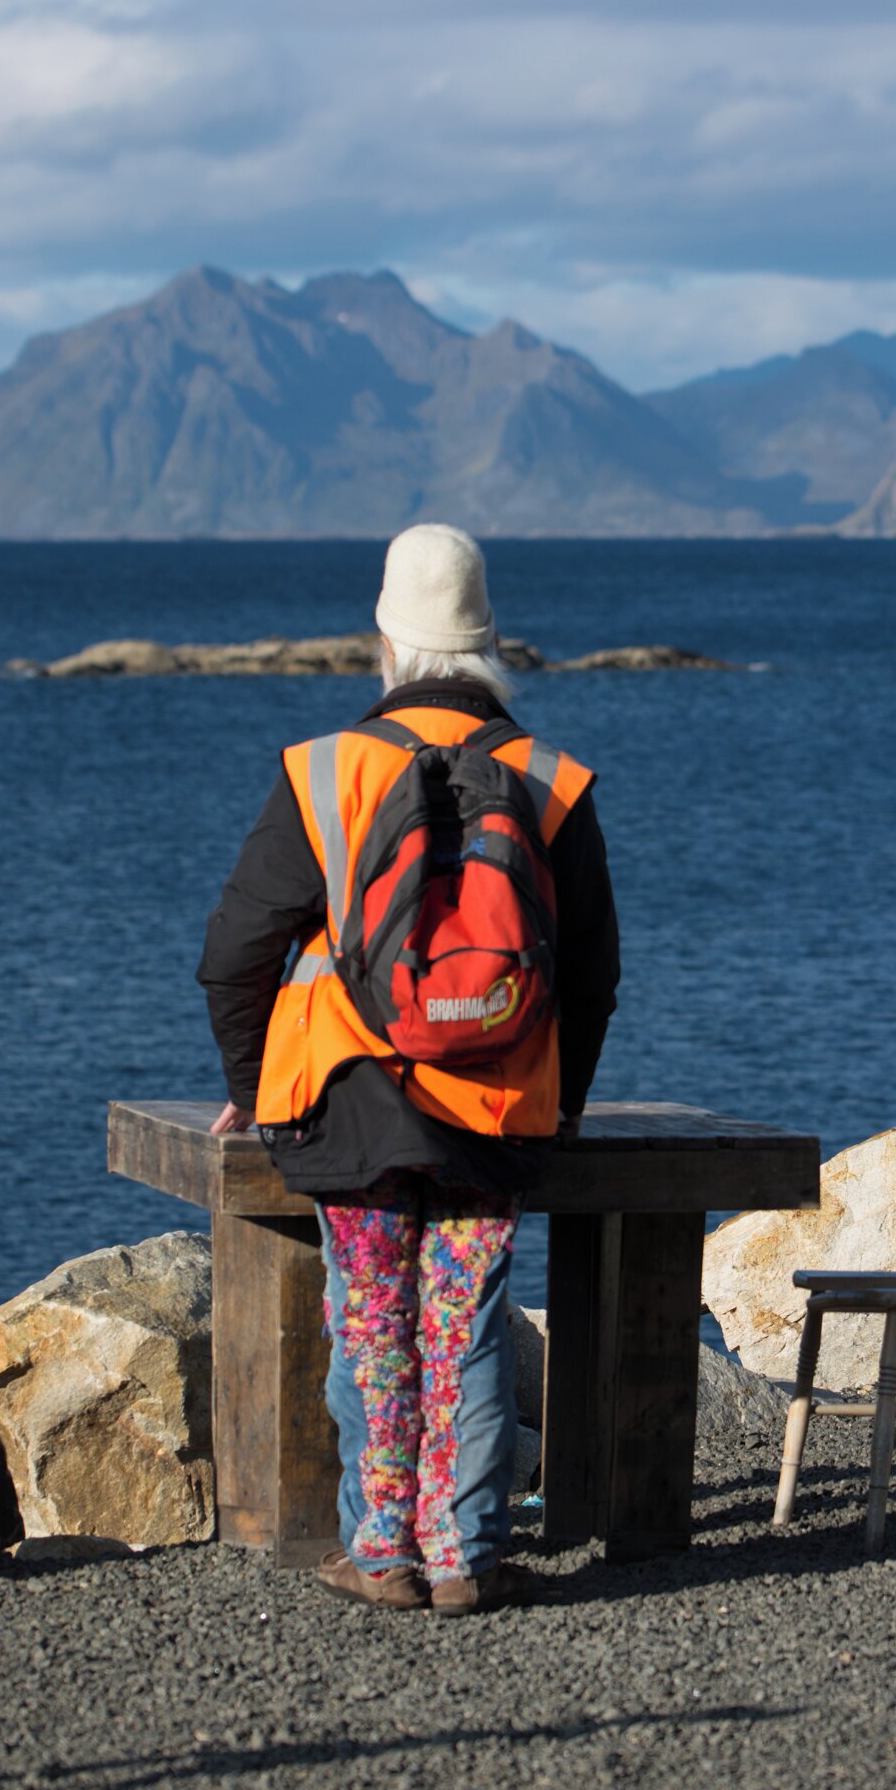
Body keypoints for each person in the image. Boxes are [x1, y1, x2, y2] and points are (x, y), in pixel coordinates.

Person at [198, 524, 619, 1614]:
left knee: (373, 1314)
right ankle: (467, 1554)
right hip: (493, 1104)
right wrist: (560, 1107)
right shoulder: (550, 778)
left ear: (383, 640)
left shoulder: (326, 769)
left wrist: (256, 1088)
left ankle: (382, 1549)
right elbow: (591, 976)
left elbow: (234, 954)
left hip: (348, 1100)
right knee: (464, 1318)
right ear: (488, 644)